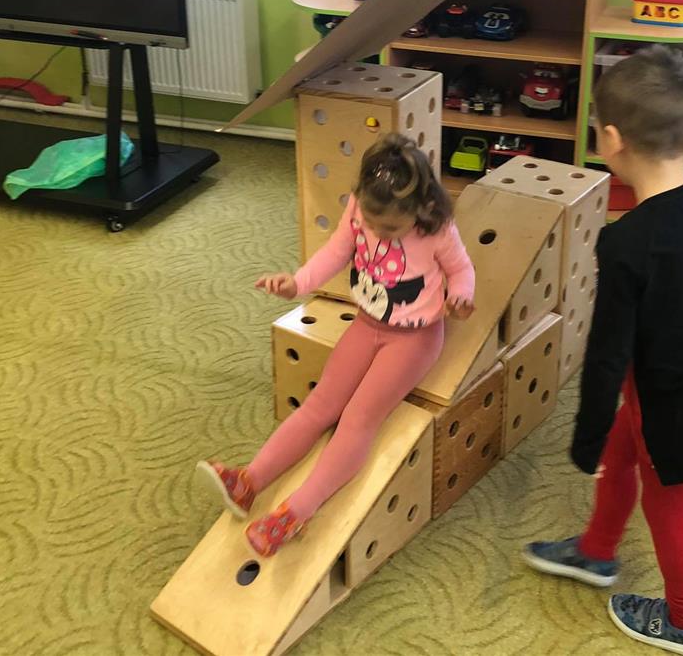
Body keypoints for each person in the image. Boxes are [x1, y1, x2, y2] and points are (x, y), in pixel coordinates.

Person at [523, 46, 683, 656]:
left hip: (674, 411)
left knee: (668, 513)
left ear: (611, 139)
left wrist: (584, 437)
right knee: (621, 458)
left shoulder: (626, 243)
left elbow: (606, 353)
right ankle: (596, 551)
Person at [197, 133, 475, 557]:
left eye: (391, 228)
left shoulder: (436, 226)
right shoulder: (361, 208)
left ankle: (295, 513)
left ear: (419, 208)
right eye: (372, 222)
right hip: (367, 322)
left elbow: (461, 270)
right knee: (320, 404)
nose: (378, 232)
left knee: (357, 419)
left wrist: (461, 296)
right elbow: (336, 252)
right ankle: (248, 482)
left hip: (415, 338)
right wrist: (297, 283)